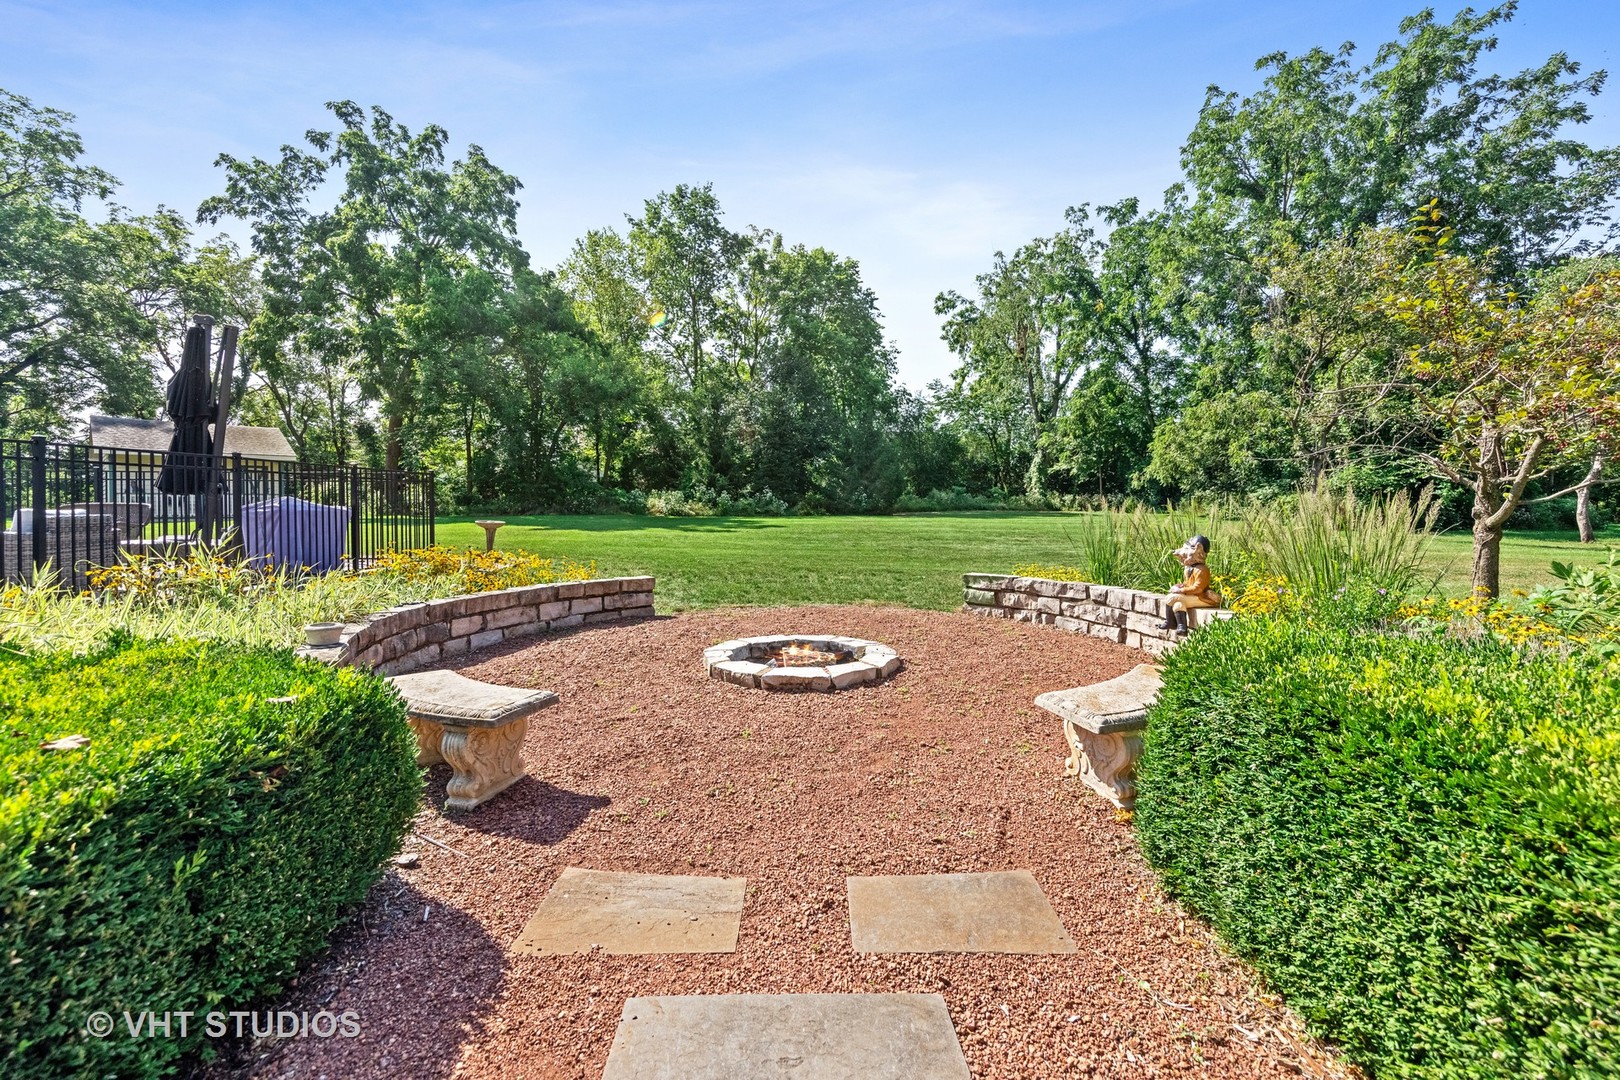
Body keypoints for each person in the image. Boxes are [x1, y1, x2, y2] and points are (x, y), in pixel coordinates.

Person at [1158, 534, 1222, 636]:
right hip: (1193, 596)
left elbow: (1198, 589)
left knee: (1171, 598)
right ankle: (1182, 628)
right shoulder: (1188, 568)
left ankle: (1169, 622)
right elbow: (1188, 583)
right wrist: (1181, 586)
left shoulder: (1202, 570)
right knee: (1178, 605)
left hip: (1202, 598)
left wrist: (1181, 591)